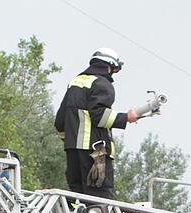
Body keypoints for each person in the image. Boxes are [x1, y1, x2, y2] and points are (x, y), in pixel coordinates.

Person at [54, 48, 140, 200]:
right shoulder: (102, 83)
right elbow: (100, 117)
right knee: (98, 197)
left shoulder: (75, 83)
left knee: (76, 196)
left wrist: (70, 141)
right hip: (95, 152)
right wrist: (126, 117)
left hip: (72, 151)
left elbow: (60, 122)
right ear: (110, 66)